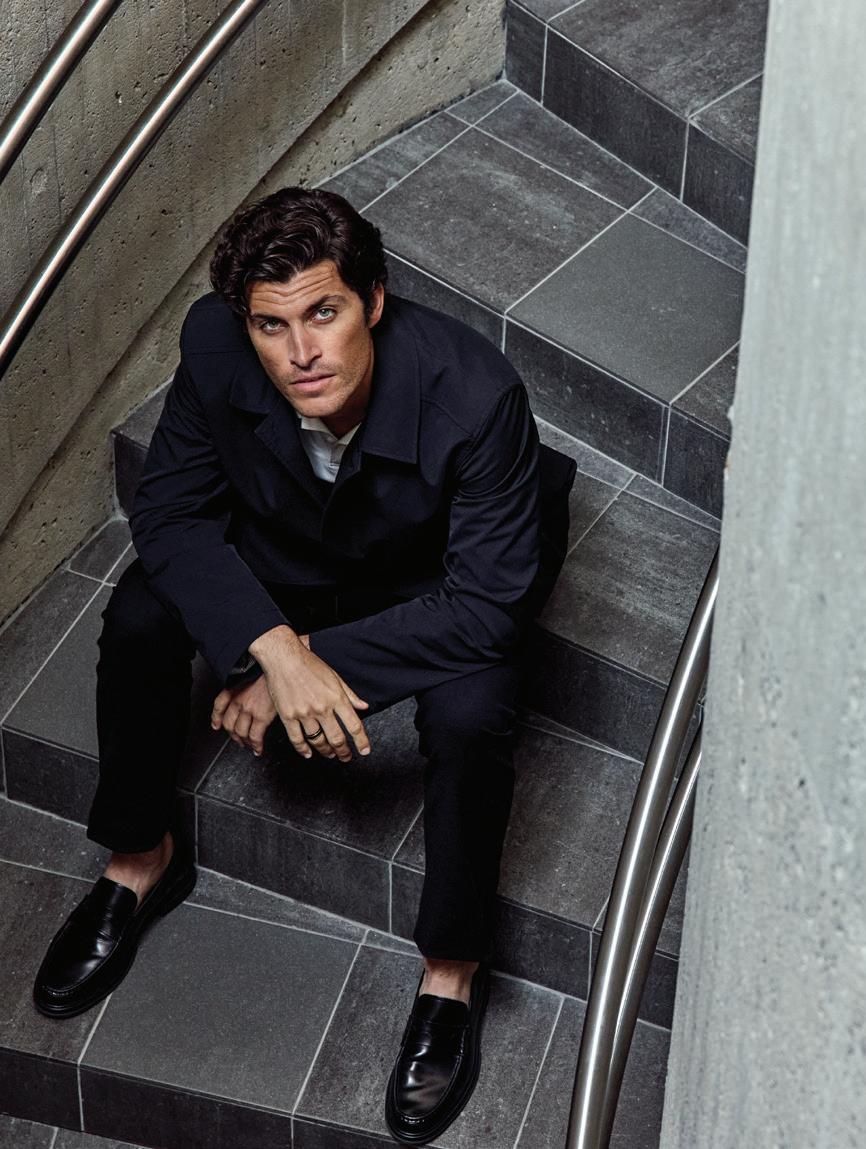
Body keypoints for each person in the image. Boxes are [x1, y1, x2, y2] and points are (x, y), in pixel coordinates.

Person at [30, 186, 576, 1145]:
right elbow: (170, 514)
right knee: (144, 610)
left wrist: (309, 662)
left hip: (430, 579)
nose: (300, 353)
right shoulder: (215, 345)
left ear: (374, 299)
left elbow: (488, 605)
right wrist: (273, 649)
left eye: (323, 312)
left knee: (473, 708)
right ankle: (139, 858)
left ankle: (452, 969)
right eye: (272, 325)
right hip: (289, 550)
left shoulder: (477, 394)